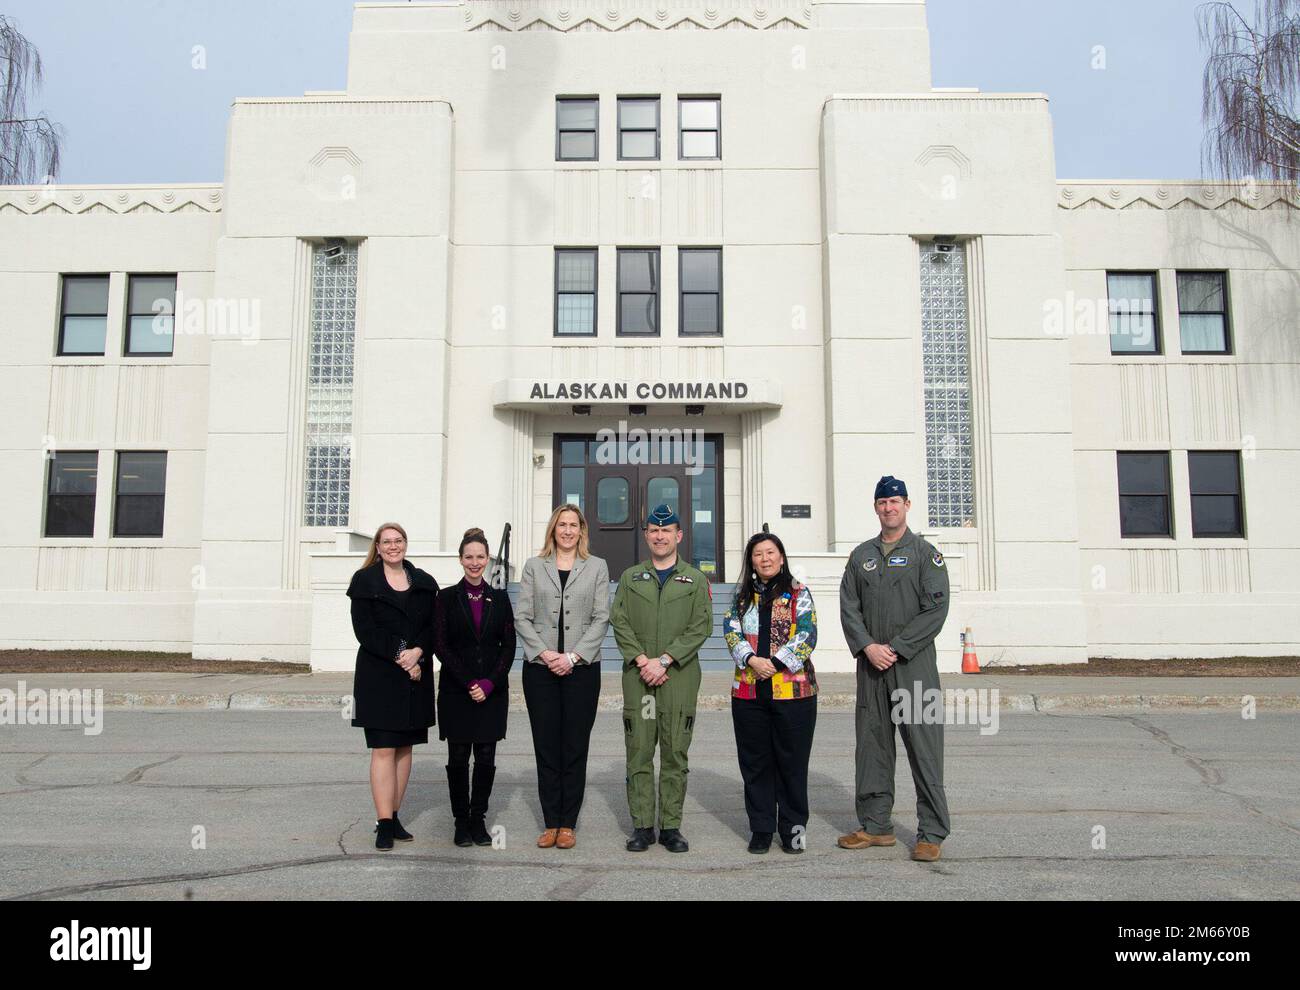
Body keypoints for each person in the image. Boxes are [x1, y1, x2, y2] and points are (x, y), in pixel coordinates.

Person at [837, 476, 952, 862]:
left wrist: (897, 648)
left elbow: (935, 610)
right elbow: (849, 606)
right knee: (872, 747)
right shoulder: (861, 556)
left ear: (907, 505)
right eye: (882, 502)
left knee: (924, 749)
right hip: (872, 670)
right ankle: (875, 826)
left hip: (914, 669)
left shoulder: (925, 554)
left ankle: (931, 832)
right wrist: (868, 647)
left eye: (895, 501)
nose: (889, 508)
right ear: (876, 508)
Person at [609, 504, 713, 854]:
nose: (659, 535)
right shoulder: (630, 577)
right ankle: (642, 827)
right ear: (646, 535)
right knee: (638, 751)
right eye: (654, 530)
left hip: (678, 677)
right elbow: (618, 620)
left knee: (674, 753)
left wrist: (665, 660)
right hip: (639, 677)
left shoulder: (695, 580)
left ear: (678, 536)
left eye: (666, 531)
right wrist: (643, 661)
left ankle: (670, 827)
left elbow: (702, 625)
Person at [516, 505, 610, 850]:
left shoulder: (597, 566)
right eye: (562, 525)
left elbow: (602, 618)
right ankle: (550, 822)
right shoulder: (533, 566)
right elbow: (522, 617)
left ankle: (568, 823)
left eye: (573, 525)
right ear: (553, 530)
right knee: (546, 746)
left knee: (574, 746)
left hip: (581, 670)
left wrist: (571, 657)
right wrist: (545, 654)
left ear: (581, 530)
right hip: (540, 670)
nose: (567, 531)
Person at [722, 531, 819, 855]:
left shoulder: (798, 592)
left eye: (770, 552)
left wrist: (775, 663)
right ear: (751, 560)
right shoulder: (740, 597)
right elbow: (731, 631)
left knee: (792, 765)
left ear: (781, 556)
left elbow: (808, 633)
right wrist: (751, 660)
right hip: (749, 693)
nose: (765, 559)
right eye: (758, 554)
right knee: (756, 764)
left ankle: (793, 831)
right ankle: (761, 828)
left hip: (794, 693)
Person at [346, 522, 439, 851]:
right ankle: (383, 822)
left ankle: (395, 815)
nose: (393, 546)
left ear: (405, 544)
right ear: (378, 546)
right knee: (383, 748)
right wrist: (402, 654)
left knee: (404, 749)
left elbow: (432, 627)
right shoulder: (365, 581)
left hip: (416, 675)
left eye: (398, 540)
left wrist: (417, 653)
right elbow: (365, 631)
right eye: (387, 542)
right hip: (379, 676)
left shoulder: (425, 583)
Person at [433, 528, 517, 848]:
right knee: (457, 758)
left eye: (480, 556)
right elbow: (441, 644)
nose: (474, 562)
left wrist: (488, 682)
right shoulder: (445, 598)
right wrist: (469, 681)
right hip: (458, 690)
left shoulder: (500, 598)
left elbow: (508, 645)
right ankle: (460, 821)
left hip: (492, 692)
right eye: (468, 556)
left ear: (488, 560)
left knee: (485, 758)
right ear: (460, 559)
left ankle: (478, 818)